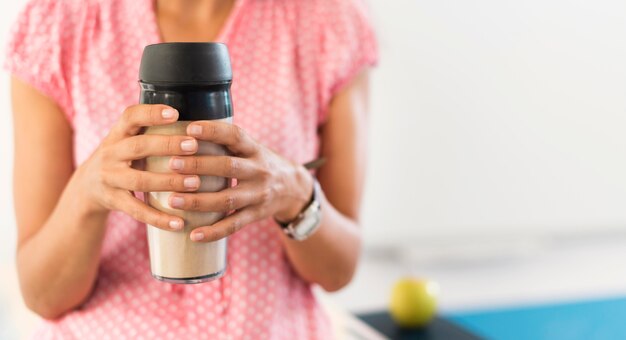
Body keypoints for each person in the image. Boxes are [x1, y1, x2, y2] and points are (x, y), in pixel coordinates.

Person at [6, 0, 377, 338]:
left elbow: (336, 272)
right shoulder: (58, 26)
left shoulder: (326, 21)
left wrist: (295, 193)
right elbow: (43, 295)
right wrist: (88, 192)